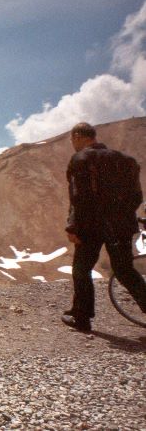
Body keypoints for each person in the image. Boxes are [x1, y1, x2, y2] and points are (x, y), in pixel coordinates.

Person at [62, 122, 146, 332]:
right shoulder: (126, 161)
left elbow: (78, 198)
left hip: (91, 225)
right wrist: (121, 215)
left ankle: (82, 318)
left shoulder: (80, 159)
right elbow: (136, 196)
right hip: (121, 225)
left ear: (79, 136)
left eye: (73, 139)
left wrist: (73, 227)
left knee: (81, 269)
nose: (72, 144)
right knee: (125, 270)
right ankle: (77, 310)